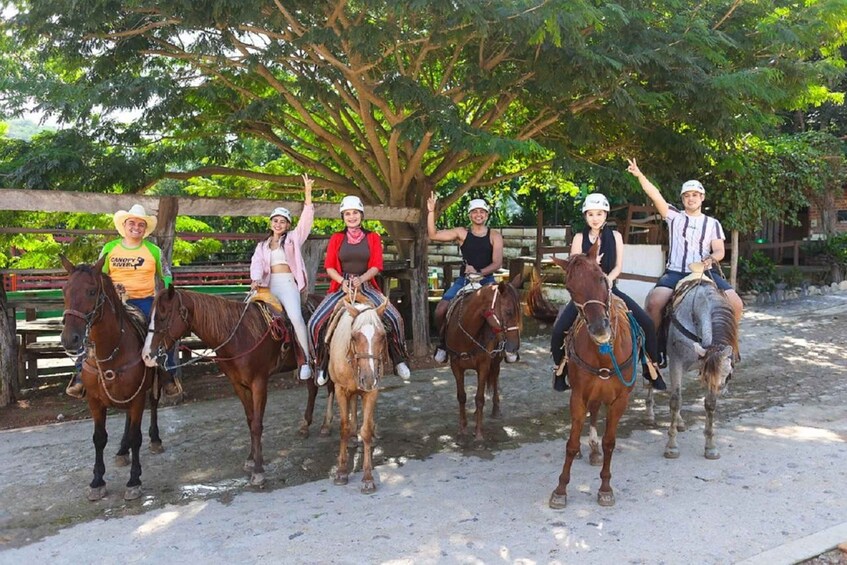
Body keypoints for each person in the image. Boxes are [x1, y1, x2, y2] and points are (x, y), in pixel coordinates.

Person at [550, 193, 667, 391]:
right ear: (585, 216)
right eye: (590, 214)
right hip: (586, 296)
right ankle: (560, 371)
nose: (595, 218)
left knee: (646, 323)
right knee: (559, 329)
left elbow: (618, 267)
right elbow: (574, 267)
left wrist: (607, 281)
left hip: (610, 288)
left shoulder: (616, 236)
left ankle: (651, 367)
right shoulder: (579, 238)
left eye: (599, 214)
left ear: (605, 215)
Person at [65, 204, 182, 399]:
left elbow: (166, 273)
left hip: (144, 300)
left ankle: (166, 373)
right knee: (90, 328)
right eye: (132, 223)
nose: (136, 227)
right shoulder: (110, 248)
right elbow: (97, 275)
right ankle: (80, 373)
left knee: (164, 329)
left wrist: (165, 292)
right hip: (114, 302)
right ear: (124, 226)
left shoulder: (153, 250)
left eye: (141, 224)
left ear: (145, 229)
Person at [625, 159, 744, 341]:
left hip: (706, 273)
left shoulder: (712, 223)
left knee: (736, 304)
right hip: (676, 272)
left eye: (695, 195)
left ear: (702, 197)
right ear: (682, 199)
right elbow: (655, 195)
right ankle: (653, 347)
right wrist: (640, 175)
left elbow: (719, 250)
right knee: (654, 303)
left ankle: (727, 345)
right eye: (687, 195)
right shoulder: (673, 216)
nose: (691, 198)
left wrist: (710, 260)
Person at [307, 195, 411, 386]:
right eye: (347, 213)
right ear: (343, 216)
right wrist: (342, 282)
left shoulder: (373, 237)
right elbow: (329, 266)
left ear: (361, 215)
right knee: (315, 322)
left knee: (395, 318)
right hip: (341, 286)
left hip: (366, 285)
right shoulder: (337, 238)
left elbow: (376, 265)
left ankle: (399, 359)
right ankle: (320, 363)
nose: (351, 217)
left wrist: (361, 279)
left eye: (355, 213)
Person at [249, 174, 316, 381]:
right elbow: (257, 264)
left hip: (287, 283)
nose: (279, 224)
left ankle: (305, 359)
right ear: (270, 223)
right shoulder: (262, 246)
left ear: (288, 225)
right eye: (276, 220)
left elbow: (306, 222)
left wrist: (307, 194)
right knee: (247, 313)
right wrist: (255, 280)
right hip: (268, 285)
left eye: (283, 221)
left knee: (295, 317)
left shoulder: (294, 239)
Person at [426, 193, 507, 363]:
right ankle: (443, 343)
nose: (479, 214)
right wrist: (431, 212)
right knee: (441, 309)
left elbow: (497, 263)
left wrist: (479, 273)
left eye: (482, 212)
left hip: (486, 279)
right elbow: (433, 235)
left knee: (502, 309)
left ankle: (506, 345)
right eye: (475, 212)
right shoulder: (461, 233)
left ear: (487, 214)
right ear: (470, 215)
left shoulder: (495, 235)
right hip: (464, 280)